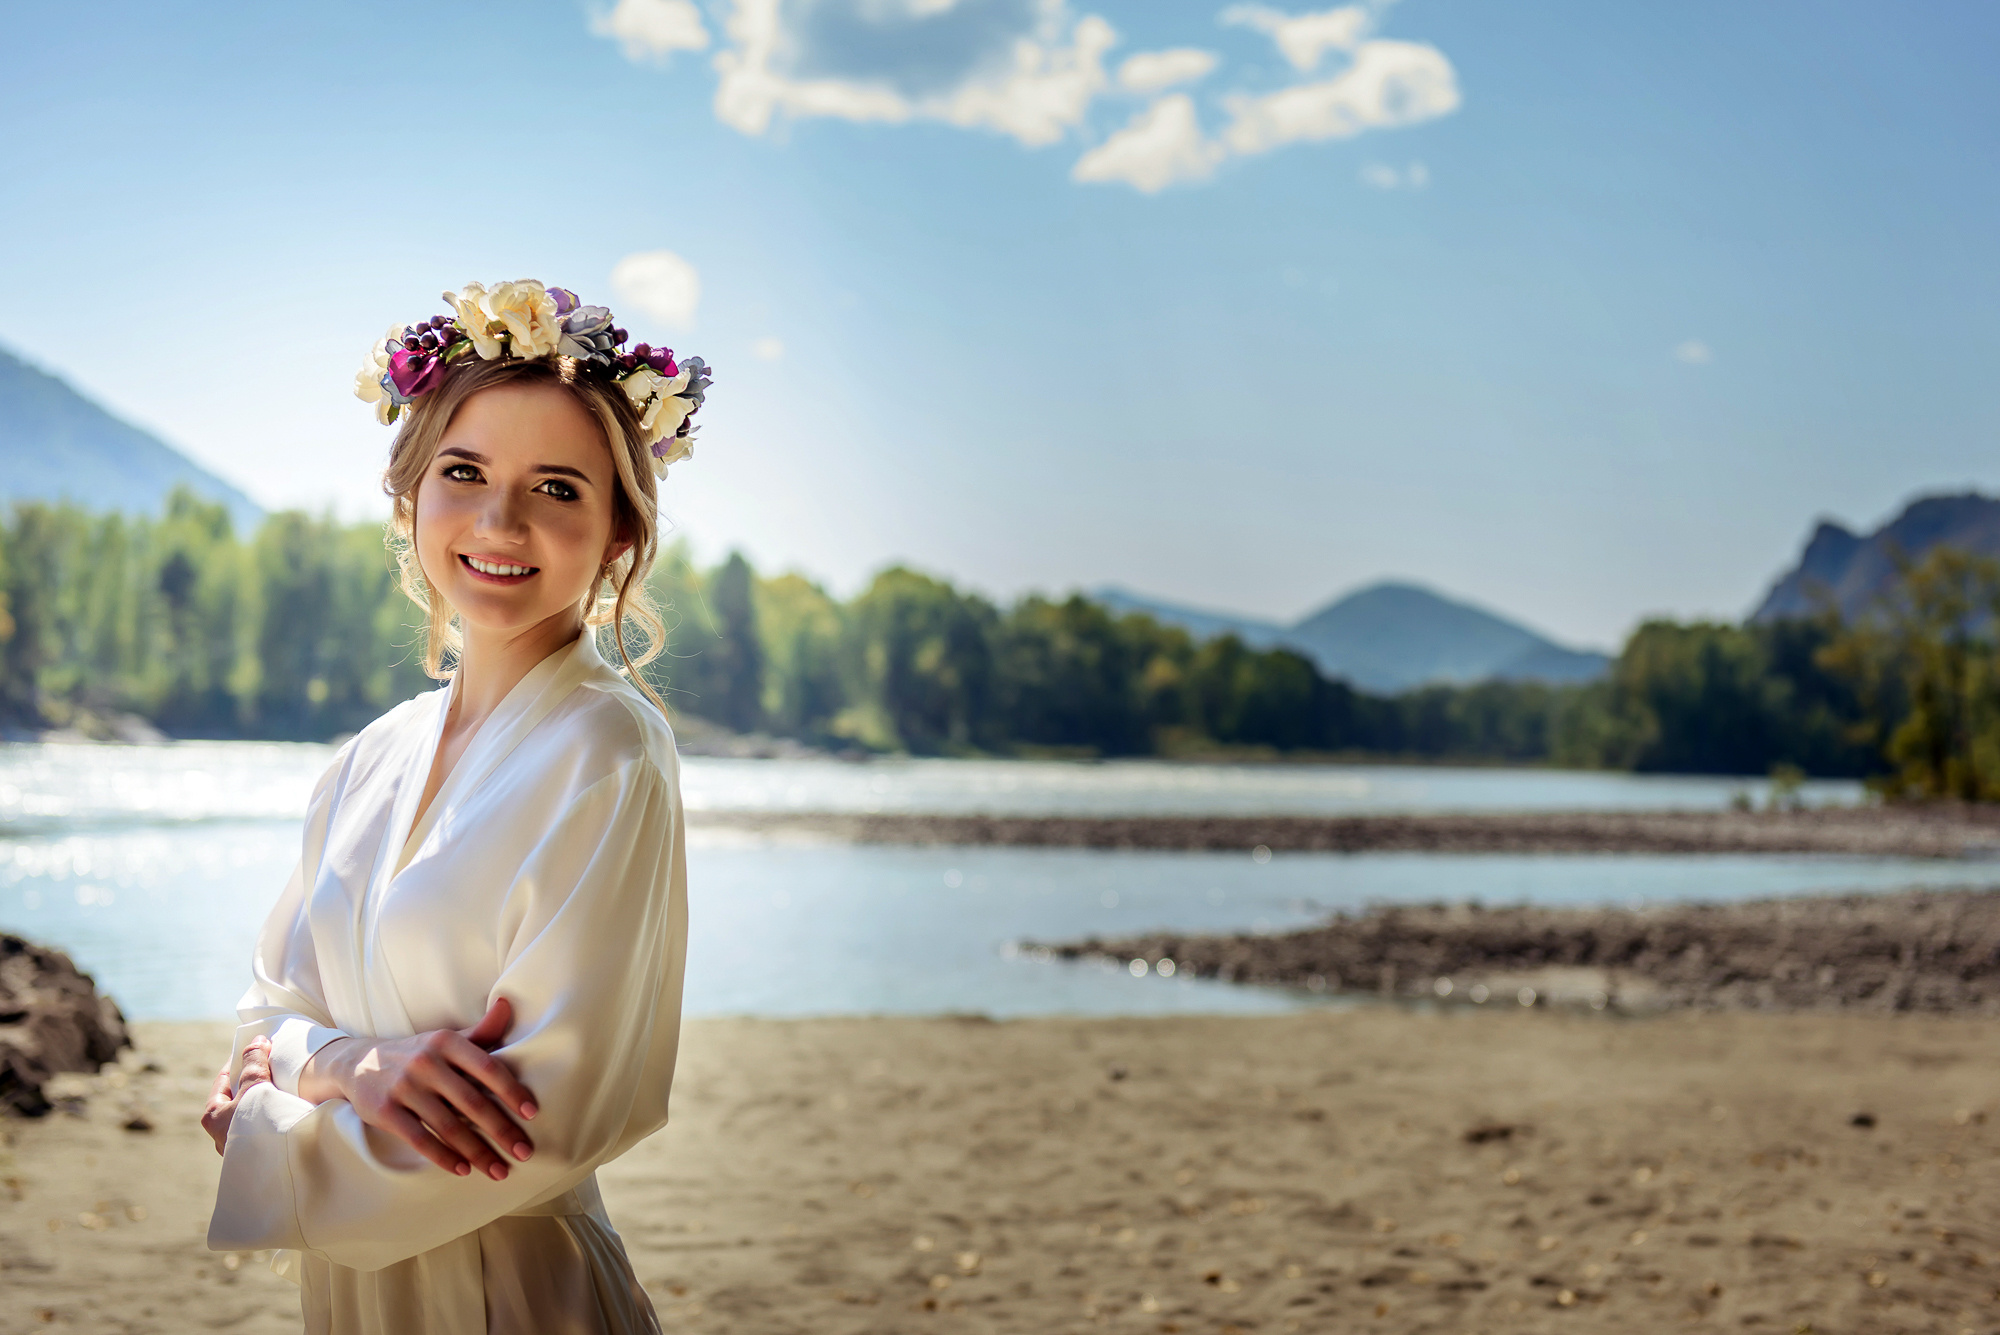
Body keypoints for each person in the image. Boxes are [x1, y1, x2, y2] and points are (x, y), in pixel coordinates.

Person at [199, 280, 714, 1335]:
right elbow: (267, 1016)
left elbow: (546, 1122)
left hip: (518, 1293)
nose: (500, 521)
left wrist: (271, 1129)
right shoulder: (367, 757)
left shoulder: (608, 749)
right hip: (347, 1303)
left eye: (558, 488)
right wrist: (342, 1061)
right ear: (410, 492)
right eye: (464, 472)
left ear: (620, 530)